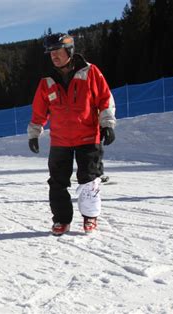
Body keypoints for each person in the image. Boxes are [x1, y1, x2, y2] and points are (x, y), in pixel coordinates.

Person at [27, 33, 116, 236]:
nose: (54, 57)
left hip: (88, 136)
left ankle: (90, 217)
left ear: (69, 51)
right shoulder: (47, 80)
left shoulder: (90, 72)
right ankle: (61, 220)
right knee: (57, 182)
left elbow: (104, 99)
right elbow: (39, 110)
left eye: (58, 52)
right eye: (51, 53)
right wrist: (34, 134)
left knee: (89, 179)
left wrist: (107, 124)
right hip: (60, 139)